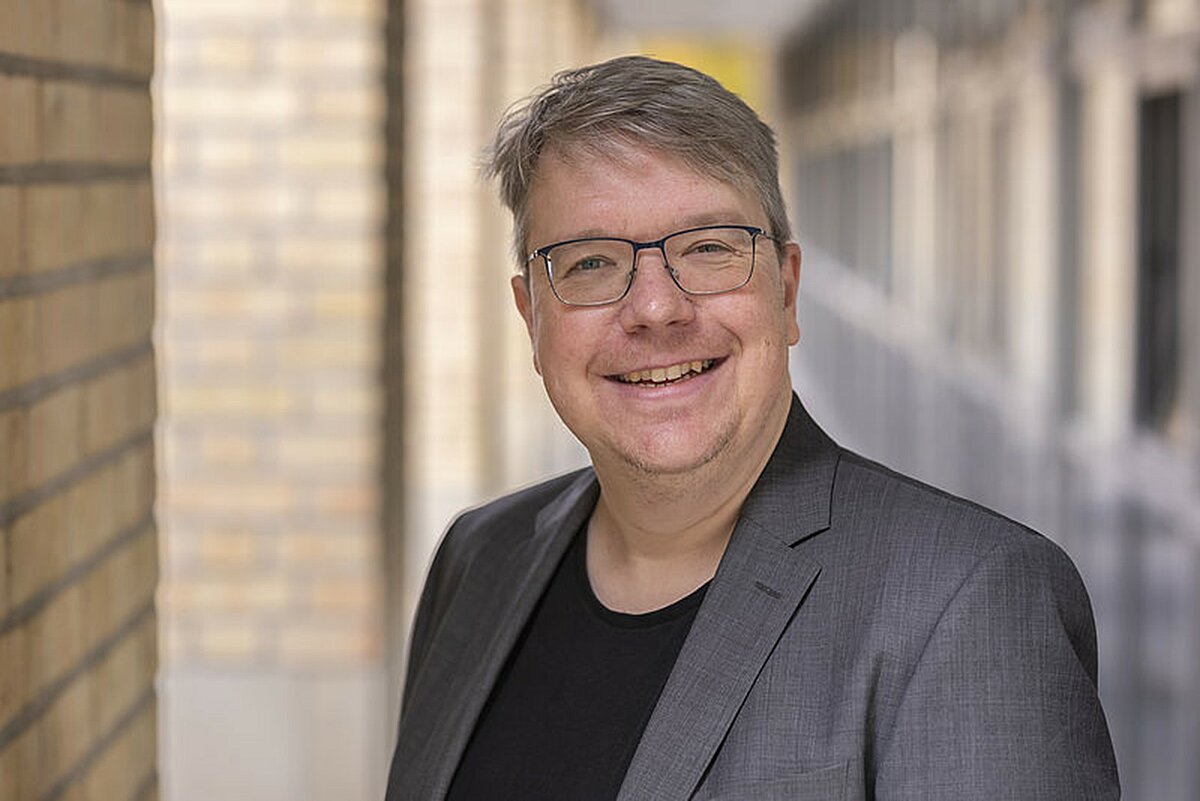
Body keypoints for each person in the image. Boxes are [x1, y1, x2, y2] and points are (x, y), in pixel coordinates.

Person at [385, 56, 1119, 801]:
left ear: (787, 290)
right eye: (592, 262)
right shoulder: (478, 558)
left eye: (708, 249)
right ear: (531, 317)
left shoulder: (969, 601)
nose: (656, 308)